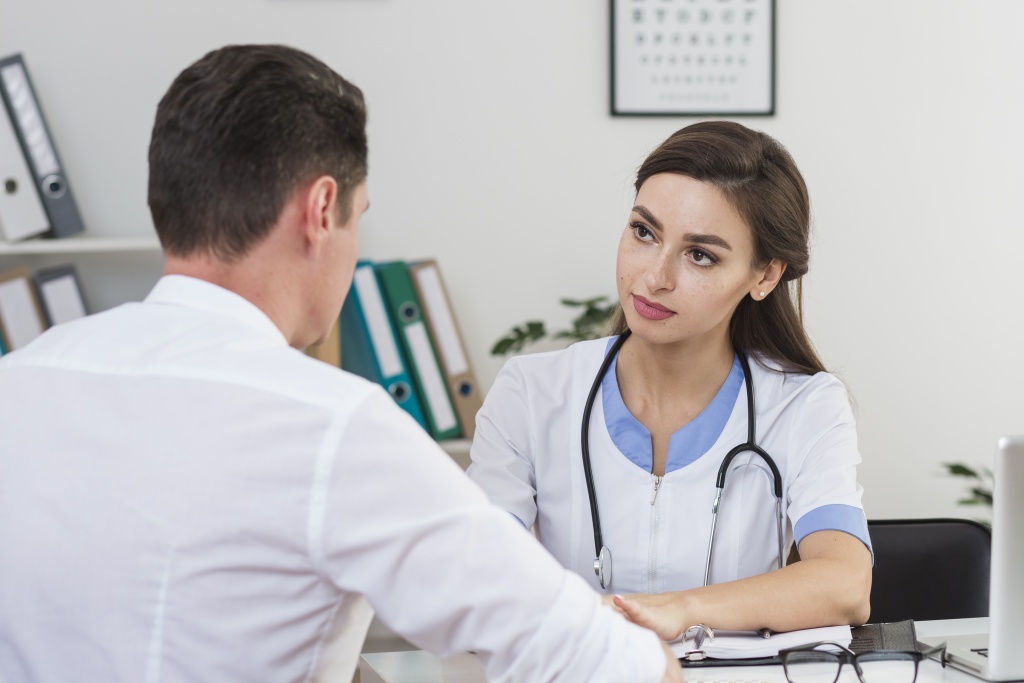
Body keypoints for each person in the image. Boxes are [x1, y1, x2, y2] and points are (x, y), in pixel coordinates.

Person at [0, 45, 683, 683]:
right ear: (321, 209)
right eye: (359, 216)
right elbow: (607, 661)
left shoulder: (21, 382)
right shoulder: (329, 424)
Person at [467, 121, 874, 643]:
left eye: (700, 254)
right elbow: (476, 575)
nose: (655, 276)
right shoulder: (532, 394)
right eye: (644, 231)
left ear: (765, 276)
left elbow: (845, 584)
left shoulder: (804, 405)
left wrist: (680, 609)